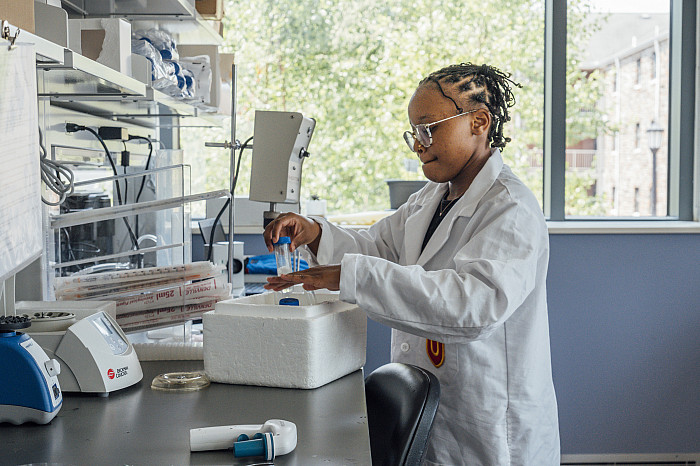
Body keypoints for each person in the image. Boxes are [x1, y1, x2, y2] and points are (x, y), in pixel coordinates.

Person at [263, 62, 560, 465]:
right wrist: (316, 233)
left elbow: (472, 306)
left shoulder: (510, 207)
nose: (419, 144)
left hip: (487, 422)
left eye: (429, 128)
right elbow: (378, 247)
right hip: (435, 406)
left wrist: (349, 275)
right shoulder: (431, 197)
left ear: (479, 121)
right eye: (414, 133)